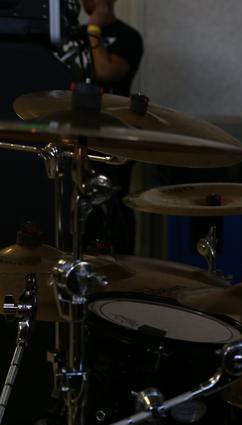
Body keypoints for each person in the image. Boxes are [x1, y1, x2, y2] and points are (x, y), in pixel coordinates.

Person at [82, 0, 143, 254]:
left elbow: (104, 71)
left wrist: (94, 28)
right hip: (78, 138)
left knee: (113, 210)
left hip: (113, 142)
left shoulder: (129, 37)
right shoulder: (74, 36)